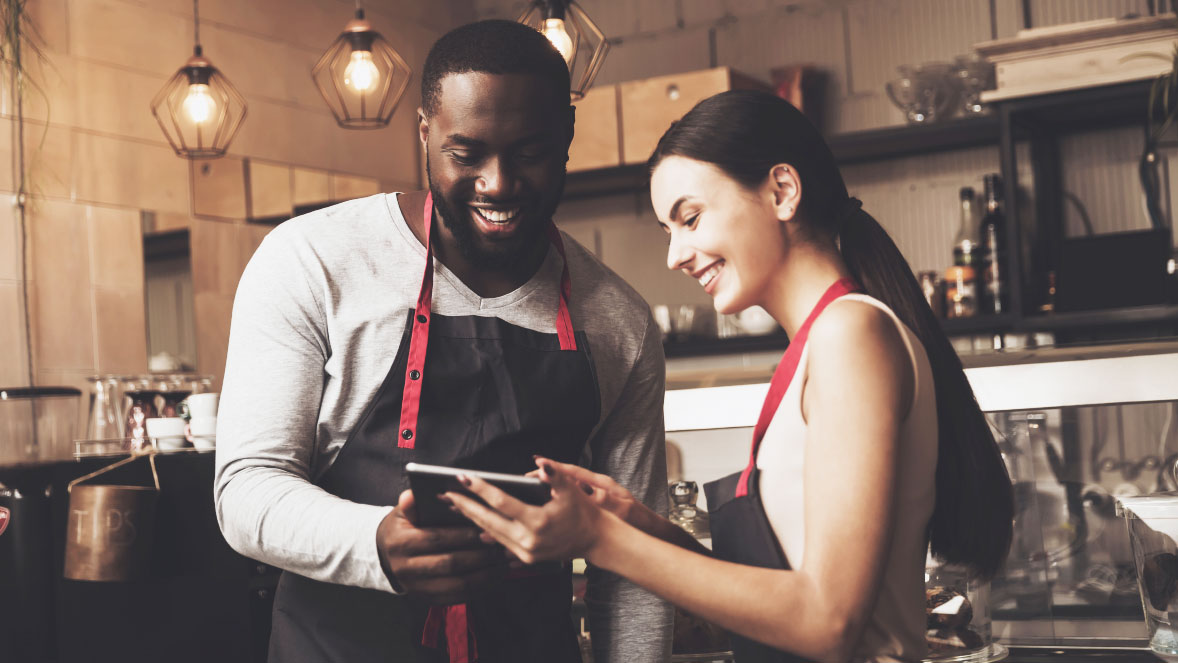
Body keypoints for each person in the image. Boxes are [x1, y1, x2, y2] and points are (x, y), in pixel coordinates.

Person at [447, 90, 1015, 663]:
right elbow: (776, 586)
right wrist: (637, 522)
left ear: (782, 192)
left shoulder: (851, 336)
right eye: (669, 229)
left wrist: (599, 536)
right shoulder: (820, 344)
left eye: (690, 218)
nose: (675, 255)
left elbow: (827, 620)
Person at [213, 20, 672, 663]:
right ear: (424, 134)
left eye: (530, 152)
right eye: (466, 154)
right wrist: (375, 541)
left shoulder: (618, 321)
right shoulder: (313, 260)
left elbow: (633, 565)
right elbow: (247, 490)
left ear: (568, 136)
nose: (498, 183)